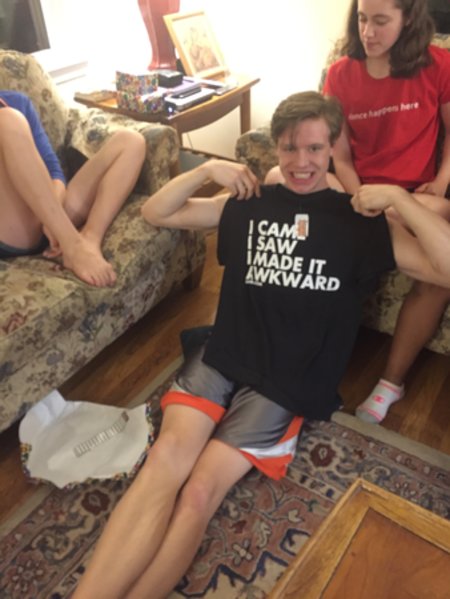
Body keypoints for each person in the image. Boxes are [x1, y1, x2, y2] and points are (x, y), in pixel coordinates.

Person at [72, 91, 450, 599]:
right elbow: (158, 213)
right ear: (275, 147)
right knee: (164, 463)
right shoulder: (252, 203)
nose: (301, 162)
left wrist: (401, 201)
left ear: (333, 149)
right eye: (290, 148)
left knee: (199, 492)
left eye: (314, 149)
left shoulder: (358, 222)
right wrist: (207, 172)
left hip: (290, 376)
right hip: (225, 350)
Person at [269, 0, 450, 423]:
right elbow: (343, 159)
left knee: (438, 223)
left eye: (381, 21)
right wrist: (361, 200)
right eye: (362, 19)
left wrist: (441, 181)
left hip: (415, 197)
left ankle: (390, 382)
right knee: (279, 180)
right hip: (359, 194)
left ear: (408, 19)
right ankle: (288, 354)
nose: (368, 31)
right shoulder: (340, 74)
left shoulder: (439, 65)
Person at [0, 90, 146, 287]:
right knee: (9, 120)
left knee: (131, 141)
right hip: (10, 229)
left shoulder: (17, 101)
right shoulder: (8, 118)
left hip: (50, 215)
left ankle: (90, 238)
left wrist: (52, 220)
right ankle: (73, 246)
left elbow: (54, 171)